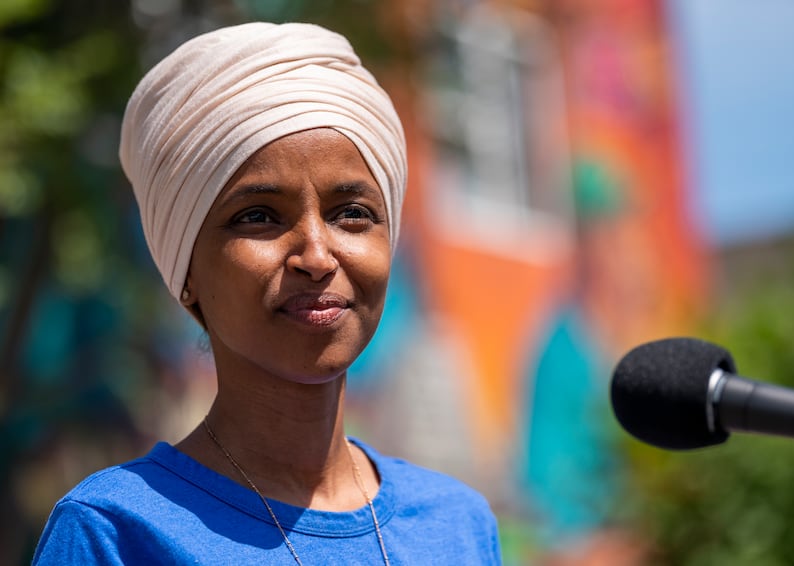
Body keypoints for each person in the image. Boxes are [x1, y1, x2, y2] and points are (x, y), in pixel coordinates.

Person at [32, 22, 502, 565]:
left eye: (352, 214)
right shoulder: (117, 532)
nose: (318, 257)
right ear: (185, 269)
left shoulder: (457, 526)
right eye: (257, 216)